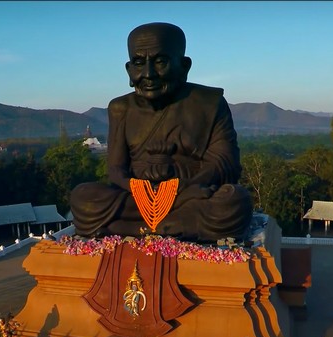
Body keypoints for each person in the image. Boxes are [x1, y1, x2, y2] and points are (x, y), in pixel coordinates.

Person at [69, 22, 253, 243]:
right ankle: (173, 227)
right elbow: (116, 169)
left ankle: (129, 228)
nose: (148, 74)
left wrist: (182, 189)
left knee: (234, 200)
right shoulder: (120, 108)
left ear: (184, 66)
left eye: (160, 62)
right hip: (137, 197)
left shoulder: (209, 103)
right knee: (83, 197)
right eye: (139, 63)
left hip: (190, 193)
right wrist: (139, 190)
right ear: (129, 70)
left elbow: (225, 163)